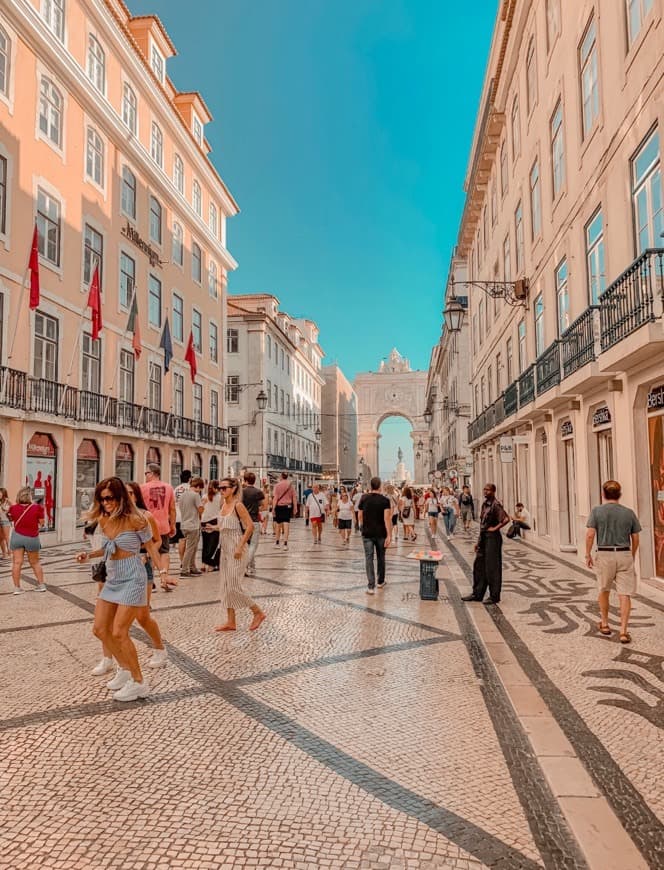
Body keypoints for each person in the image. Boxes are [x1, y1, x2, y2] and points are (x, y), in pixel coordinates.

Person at [76, 477, 166, 701]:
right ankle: (124, 669)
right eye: (102, 498)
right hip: (113, 577)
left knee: (119, 631)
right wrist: (88, 555)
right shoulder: (104, 521)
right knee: (99, 629)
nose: (106, 502)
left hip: (134, 576)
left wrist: (164, 573)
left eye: (110, 498)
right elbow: (108, 549)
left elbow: (152, 546)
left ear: (121, 498)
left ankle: (139, 682)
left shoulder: (137, 519)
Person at [586, 480, 641, 644]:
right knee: (624, 594)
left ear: (603, 494)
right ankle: (623, 631)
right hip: (624, 553)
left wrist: (587, 554)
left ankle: (604, 623)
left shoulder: (597, 511)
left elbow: (589, 535)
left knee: (604, 589)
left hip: (605, 554)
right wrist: (632, 554)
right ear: (620, 494)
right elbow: (636, 537)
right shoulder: (629, 513)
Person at [214, 478, 266, 632]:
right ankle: (231, 622)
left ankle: (258, 612)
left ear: (233, 488)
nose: (221, 490)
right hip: (225, 549)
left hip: (237, 549)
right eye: (219, 488)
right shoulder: (223, 505)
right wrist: (214, 528)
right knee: (225, 586)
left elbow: (250, 527)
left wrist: (240, 546)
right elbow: (225, 526)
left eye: (224, 488)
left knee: (234, 585)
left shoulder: (238, 505)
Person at [463, 483, 509, 605]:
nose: (485, 492)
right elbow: (482, 525)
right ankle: (477, 593)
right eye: (484, 489)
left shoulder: (496, 505)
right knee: (478, 565)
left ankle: (494, 596)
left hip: (493, 539)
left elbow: (506, 519)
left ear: (493, 491)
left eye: (488, 490)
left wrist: (495, 529)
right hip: (484, 537)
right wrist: (478, 541)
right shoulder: (485, 504)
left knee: (492, 568)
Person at [8, 487, 46, 594]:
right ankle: (41, 585)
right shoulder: (37, 508)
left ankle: (17, 588)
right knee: (35, 562)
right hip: (32, 537)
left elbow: (11, 519)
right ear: (30, 496)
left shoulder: (13, 508)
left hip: (17, 537)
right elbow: (42, 523)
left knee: (17, 562)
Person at [141, 464, 176, 577]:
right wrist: (173, 525)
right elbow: (172, 509)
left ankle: (150, 580)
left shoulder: (142, 488)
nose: (145, 475)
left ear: (151, 473)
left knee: (149, 552)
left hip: (147, 526)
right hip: (163, 526)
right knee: (164, 552)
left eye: (146, 473)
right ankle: (164, 578)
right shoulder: (169, 487)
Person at [358, 477, 392, 594]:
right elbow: (387, 518)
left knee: (368, 558)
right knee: (381, 557)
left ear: (371, 486)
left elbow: (360, 515)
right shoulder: (385, 500)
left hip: (367, 532)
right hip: (381, 533)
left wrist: (362, 526)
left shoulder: (364, 498)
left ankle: (370, 587)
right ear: (380, 486)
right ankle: (380, 581)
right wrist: (389, 535)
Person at [179, 477, 204, 576]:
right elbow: (200, 509)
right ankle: (184, 570)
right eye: (200, 488)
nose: (200, 490)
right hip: (193, 525)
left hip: (184, 524)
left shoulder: (183, 495)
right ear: (197, 487)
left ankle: (193, 567)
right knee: (190, 549)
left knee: (193, 548)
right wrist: (204, 506)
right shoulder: (195, 495)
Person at [242, 471, 266, 576]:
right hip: (254, 520)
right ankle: (245, 566)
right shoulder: (258, 492)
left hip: (243, 521)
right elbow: (263, 506)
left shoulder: (241, 492)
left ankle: (252, 566)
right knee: (253, 545)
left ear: (245, 480)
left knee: (246, 544)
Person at [272, 472, 297, 548]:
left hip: (279, 506)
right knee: (286, 524)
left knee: (278, 525)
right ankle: (285, 544)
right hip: (288, 507)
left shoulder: (277, 485)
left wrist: (273, 508)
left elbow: (275, 498)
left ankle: (277, 543)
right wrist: (295, 508)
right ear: (287, 477)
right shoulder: (290, 486)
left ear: (281, 476)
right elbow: (294, 497)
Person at [172, 469, 192, 564]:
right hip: (188, 517)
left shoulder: (176, 489)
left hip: (178, 517)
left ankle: (182, 562)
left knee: (181, 540)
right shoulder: (191, 489)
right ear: (189, 478)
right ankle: (187, 562)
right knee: (189, 542)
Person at [201, 480, 221, 571]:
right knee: (213, 544)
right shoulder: (221, 497)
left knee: (205, 543)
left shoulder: (204, 496)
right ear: (217, 488)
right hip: (214, 521)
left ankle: (203, 563)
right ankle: (211, 565)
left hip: (204, 521)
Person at [0, 487, 11, 557]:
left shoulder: (7, 501)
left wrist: (7, 511)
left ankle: (10, 552)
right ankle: (4, 553)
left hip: (5, 521)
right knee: (0, 538)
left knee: (6, 538)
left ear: (3, 493)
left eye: (0, 493)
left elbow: (12, 509)